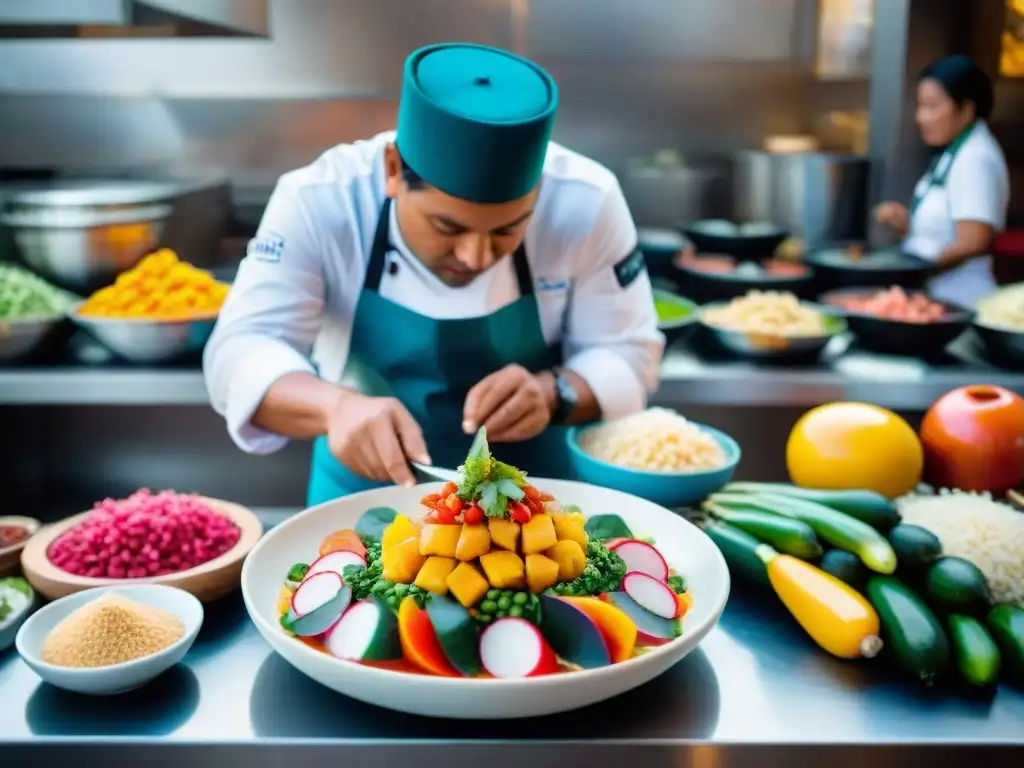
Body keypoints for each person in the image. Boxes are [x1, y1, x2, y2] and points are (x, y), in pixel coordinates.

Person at [203, 42, 664, 507]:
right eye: (448, 227)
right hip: (363, 499)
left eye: (508, 228)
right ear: (391, 171)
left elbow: (630, 354)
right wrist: (335, 407)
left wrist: (554, 394)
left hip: (537, 505)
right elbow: (242, 350)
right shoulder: (321, 200)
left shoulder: (586, 199)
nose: (476, 256)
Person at [875, 54, 1010, 307]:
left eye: (933, 106)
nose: (921, 117)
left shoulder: (974, 157)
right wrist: (908, 224)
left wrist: (910, 272)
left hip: (959, 301)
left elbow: (973, 241)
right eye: (920, 106)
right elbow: (945, 231)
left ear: (966, 109)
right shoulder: (954, 151)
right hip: (938, 296)